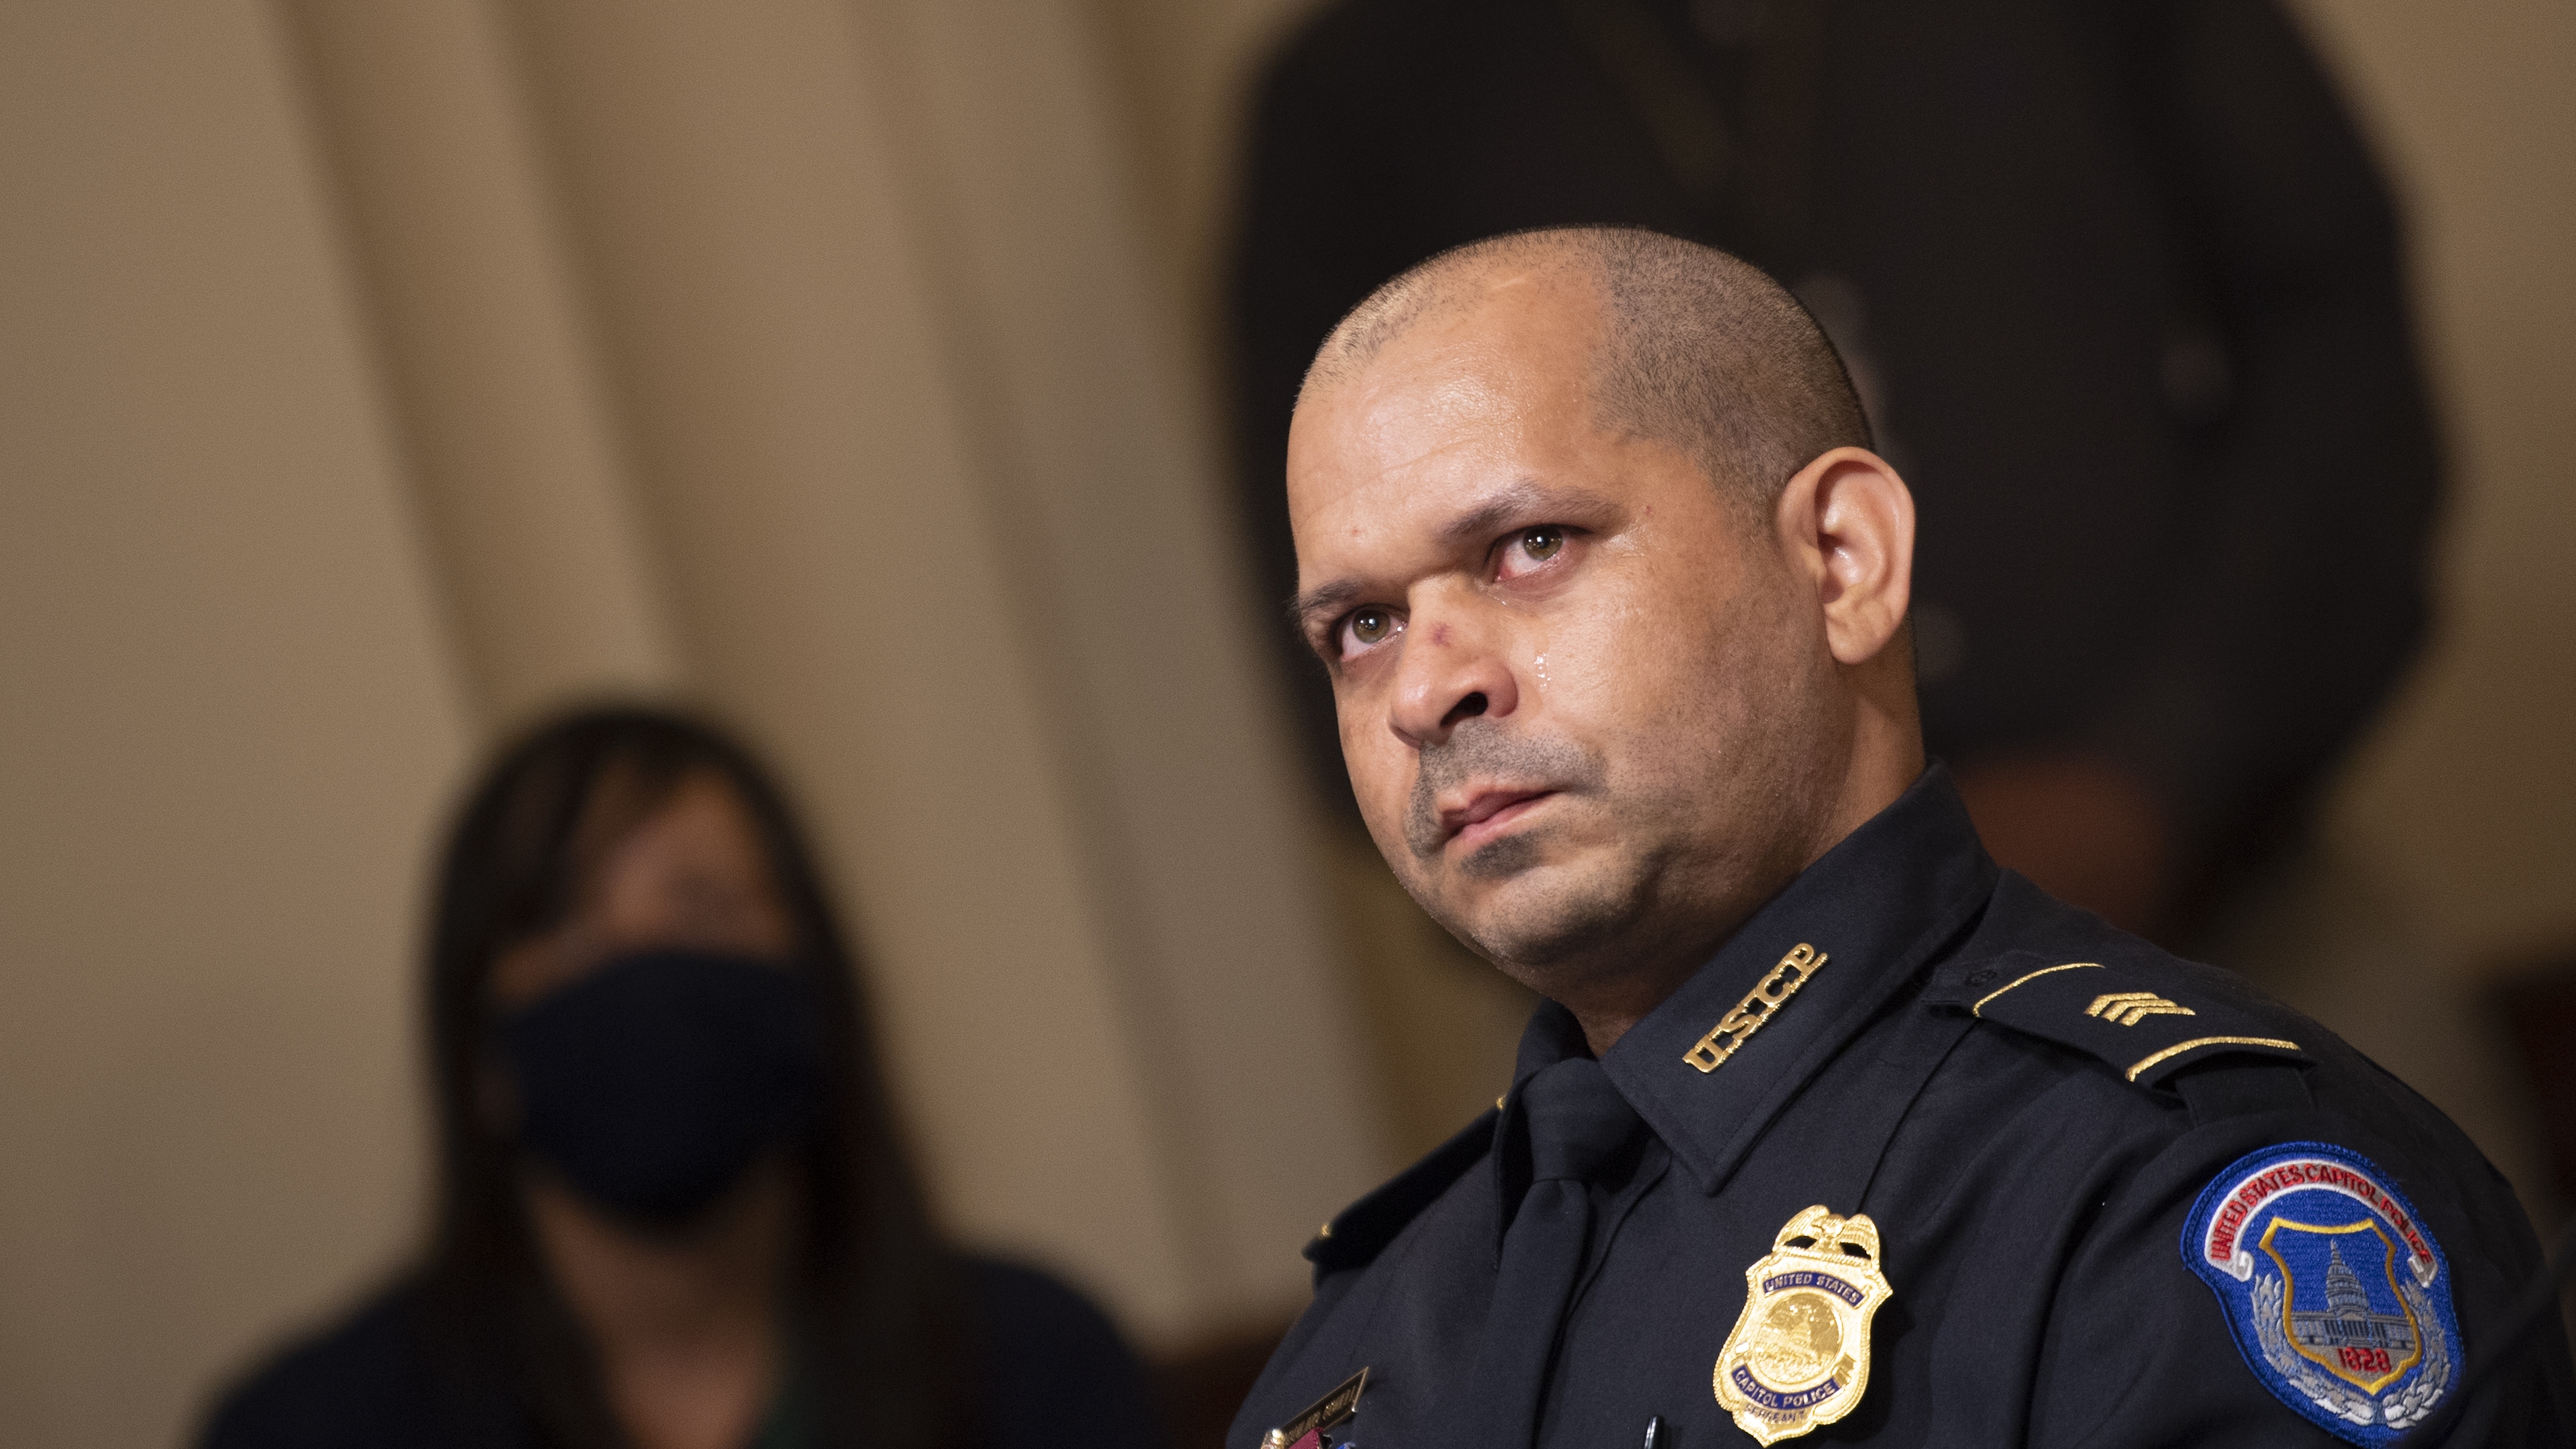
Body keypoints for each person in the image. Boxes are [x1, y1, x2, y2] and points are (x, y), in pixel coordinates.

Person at [1226, 229, 2569, 1448]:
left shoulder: (2177, 1201)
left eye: (1529, 544)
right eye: (1361, 626)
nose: (1421, 690)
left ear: (1843, 557)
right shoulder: (1355, 1342)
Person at [1227, 0, 2440, 940]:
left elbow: (2338, 370)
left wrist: (2156, 773)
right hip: (1701, 1011)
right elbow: (1337, 594)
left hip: (2232, 891)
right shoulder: (1361, 101)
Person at [202, 707, 1169, 1449]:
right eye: (569, 924)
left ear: (808, 989)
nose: (641, 959)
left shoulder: (1030, 1366)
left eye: (703, 906)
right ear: (480, 1041)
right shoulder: (313, 1428)